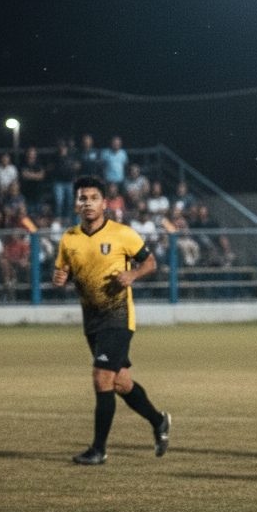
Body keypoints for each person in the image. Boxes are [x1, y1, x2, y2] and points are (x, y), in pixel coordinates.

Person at [52, 175, 171, 465]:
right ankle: (159, 421)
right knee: (120, 382)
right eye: (83, 198)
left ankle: (98, 450)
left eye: (94, 198)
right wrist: (60, 278)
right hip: (91, 320)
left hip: (118, 317)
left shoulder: (123, 234)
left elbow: (151, 262)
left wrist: (132, 274)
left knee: (101, 377)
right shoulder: (69, 239)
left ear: (104, 202)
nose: (88, 203)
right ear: (76, 203)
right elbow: (63, 272)